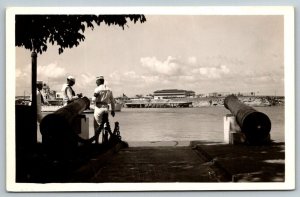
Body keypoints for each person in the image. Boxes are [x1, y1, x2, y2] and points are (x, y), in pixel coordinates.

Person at [92, 76, 115, 143]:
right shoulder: (109, 89)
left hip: (98, 108)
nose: (96, 82)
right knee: (105, 125)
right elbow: (112, 101)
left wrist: (94, 97)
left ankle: (96, 142)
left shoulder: (97, 89)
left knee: (97, 125)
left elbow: (93, 100)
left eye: (96, 81)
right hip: (106, 109)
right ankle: (105, 141)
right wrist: (113, 110)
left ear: (99, 81)